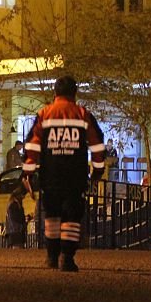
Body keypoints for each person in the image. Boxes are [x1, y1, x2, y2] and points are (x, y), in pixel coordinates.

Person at [21, 75, 105, 271]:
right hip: (75, 175)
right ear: (75, 93)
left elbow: (32, 146)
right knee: (72, 215)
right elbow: (97, 145)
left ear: (55, 93)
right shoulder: (83, 114)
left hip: (50, 174)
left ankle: (51, 256)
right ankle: (67, 257)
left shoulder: (44, 114)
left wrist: (28, 173)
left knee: (52, 216)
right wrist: (98, 171)